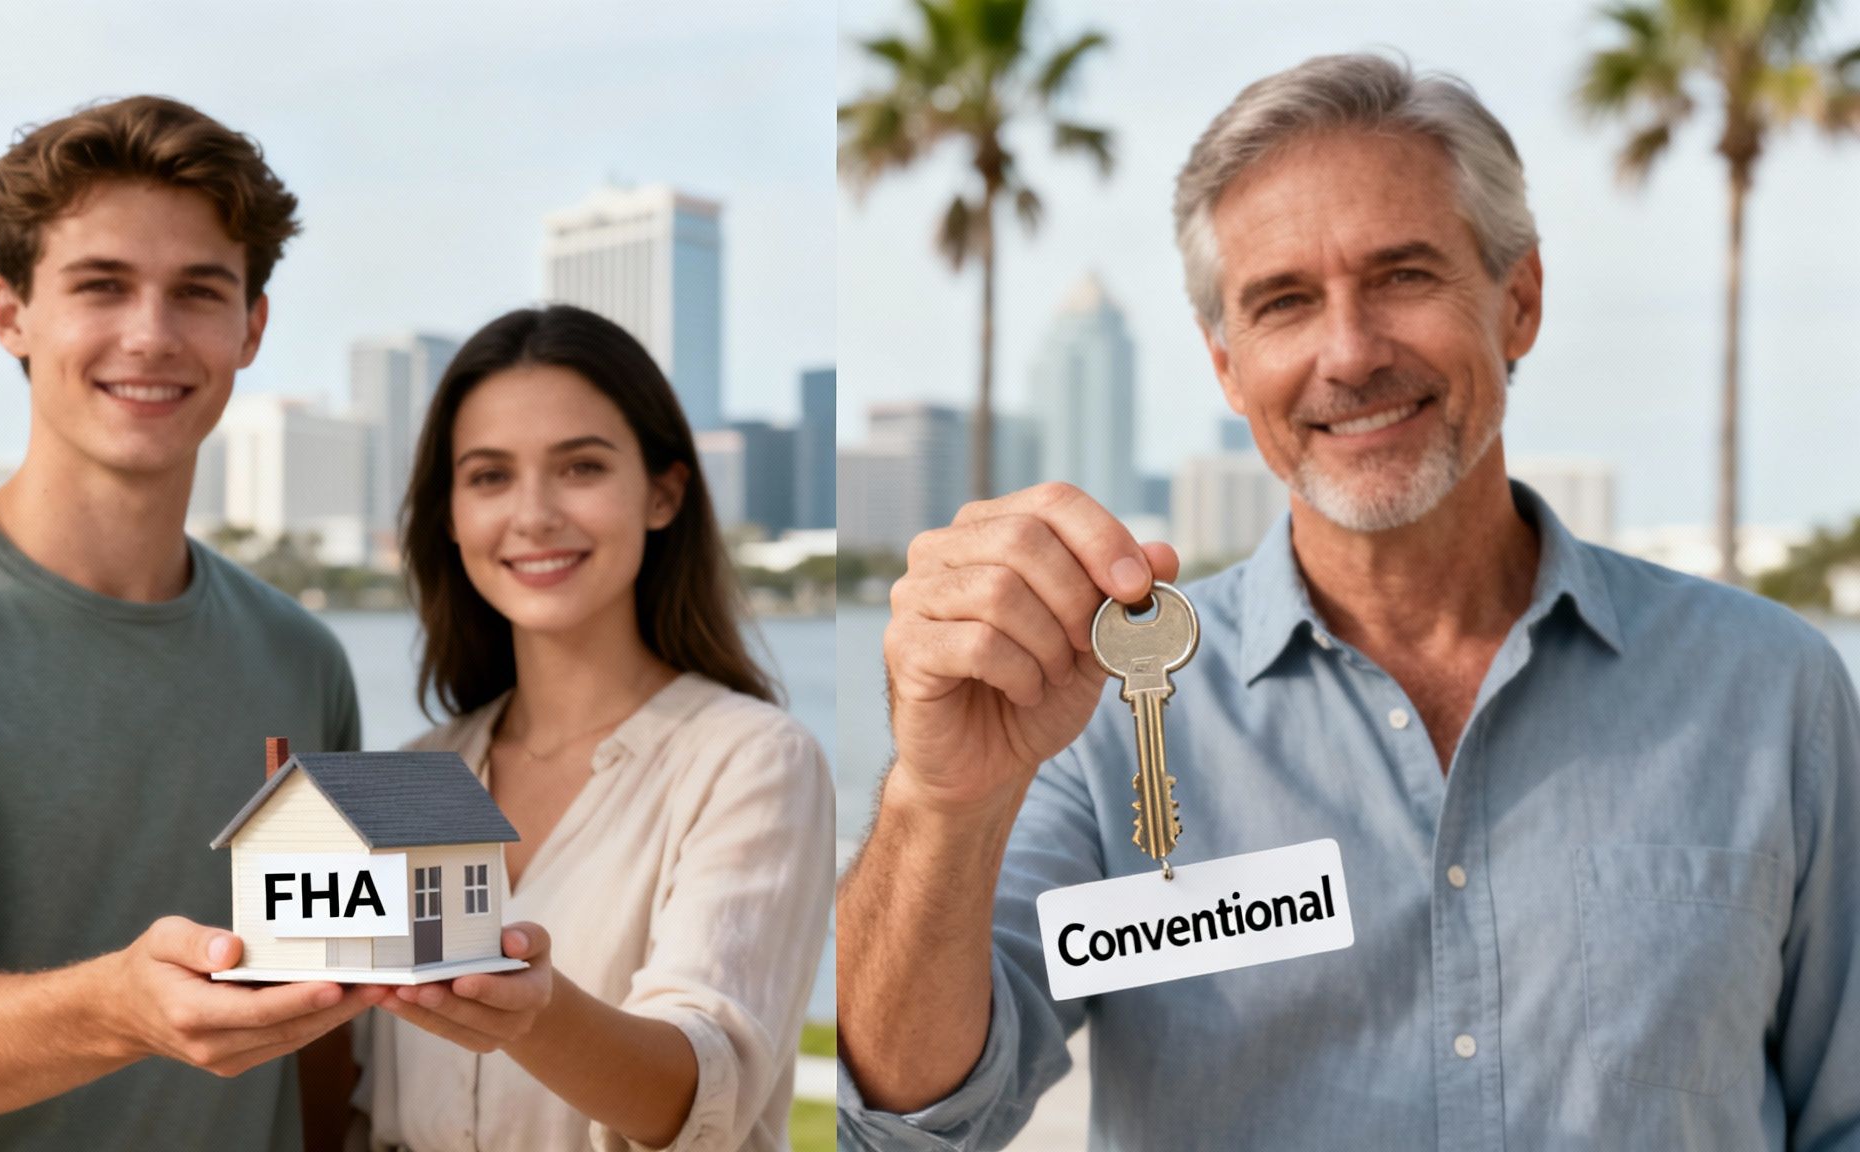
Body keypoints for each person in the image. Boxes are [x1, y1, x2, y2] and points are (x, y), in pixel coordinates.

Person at [838, 53, 1860, 1150]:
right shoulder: (1098, 716)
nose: (1349, 352)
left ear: (1516, 302)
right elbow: (915, 1120)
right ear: (1227, 370)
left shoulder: (1767, 687)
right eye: (1284, 302)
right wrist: (937, 805)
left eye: (1403, 276)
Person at [0, 97, 386, 1150]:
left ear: (250, 328)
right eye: (101, 286)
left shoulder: (301, 660)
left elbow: (321, 1031)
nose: (151, 335)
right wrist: (121, 1007)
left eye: (198, 292)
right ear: (9, 314)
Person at [345, 305, 835, 1151]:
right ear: (451, 515)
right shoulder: (412, 776)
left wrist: (533, 1012)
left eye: (579, 467)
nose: (533, 515)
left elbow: (700, 1090)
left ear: (663, 493)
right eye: (490, 476)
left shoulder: (753, 760)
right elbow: (361, 1100)